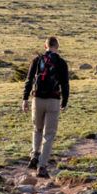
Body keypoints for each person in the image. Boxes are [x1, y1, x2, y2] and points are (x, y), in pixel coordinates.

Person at [22, 36, 70, 178]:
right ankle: (42, 166)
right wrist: (64, 101)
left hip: (37, 99)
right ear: (57, 46)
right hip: (53, 100)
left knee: (37, 129)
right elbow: (65, 84)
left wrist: (25, 98)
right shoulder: (61, 63)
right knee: (49, 134)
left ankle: (34, 155)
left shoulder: (37, 60)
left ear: (45, 46)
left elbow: (29, 80)